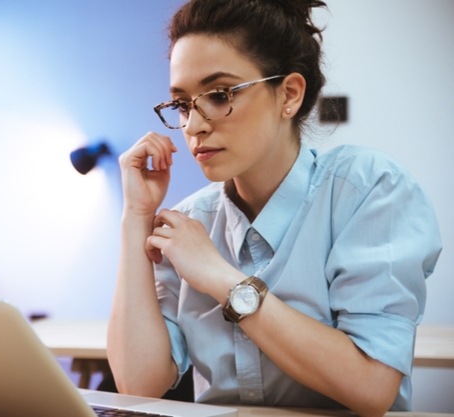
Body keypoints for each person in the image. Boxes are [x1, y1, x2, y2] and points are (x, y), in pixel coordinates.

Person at [106, 1, 442, 416]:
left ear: (289, 94)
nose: (193, 125)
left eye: (218, 94)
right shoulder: (189, 223)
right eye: (182, 103)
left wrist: (221, 279)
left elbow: (372, 388)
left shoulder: (369, 189)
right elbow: (139, 384)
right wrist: (136, 217)